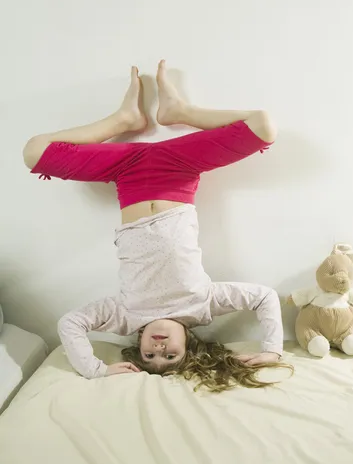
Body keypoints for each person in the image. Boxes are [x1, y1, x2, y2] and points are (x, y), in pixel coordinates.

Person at [23, 60, 287, 393]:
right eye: (170, 355)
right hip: (181, 166)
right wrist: (272, 349)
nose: (159, 349)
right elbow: (264, 297)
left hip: (127, 172)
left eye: (149, 354)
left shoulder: (124, 316)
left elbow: (70, 324)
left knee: (33, 152)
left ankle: (121, 120)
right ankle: (182, 110)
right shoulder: (205, 304)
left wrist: (96, 371)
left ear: (140, 346)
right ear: (188, 343)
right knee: (264, 125)